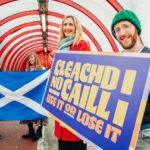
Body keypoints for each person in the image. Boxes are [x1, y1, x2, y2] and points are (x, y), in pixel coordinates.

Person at [111, 9, 150, 148]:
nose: (122, 33)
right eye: (117, 30)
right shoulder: (114, 62)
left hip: (145, 135)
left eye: (126, 26)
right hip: (119, 134)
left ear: (137, 28)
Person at [54, 15, 91, 150]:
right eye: (65, 25)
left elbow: (84, 73)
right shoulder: (61, 45)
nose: (67, 28)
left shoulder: (82, 44)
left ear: (76, 27)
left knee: (75, 143)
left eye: (71, 24)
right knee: (63, 144)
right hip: (60, 103)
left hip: (75, 104)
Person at [20, 52, 47, 142]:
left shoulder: (41, 69)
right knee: (27, 113)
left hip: (38, 95)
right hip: (29, 95)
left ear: (36, 58)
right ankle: (31, 131)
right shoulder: (26, 70)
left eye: (32, 57)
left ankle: (39, 132)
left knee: (40, 113)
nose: (31, 59)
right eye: (30, 58)